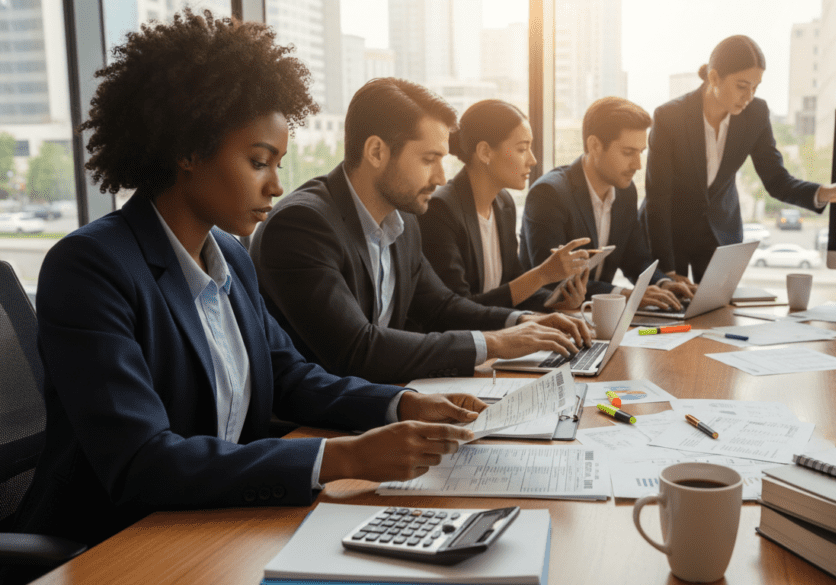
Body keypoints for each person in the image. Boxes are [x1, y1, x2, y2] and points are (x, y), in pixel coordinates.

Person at [10, 11, 484, 556]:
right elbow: (143, 461)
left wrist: (402, 405)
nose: (276, 185)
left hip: (219, 525)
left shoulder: (230, 256)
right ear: (187, 150)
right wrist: (344, 458)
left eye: (278, 163)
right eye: (259, 161)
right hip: (114, 544)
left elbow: (289, 377)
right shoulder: (92, 267)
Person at [249, 78, 592, 385]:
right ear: (376, 152)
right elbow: (355, 349)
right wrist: (495, 343)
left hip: (385, 398)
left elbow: (442, 307)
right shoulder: (303, 224)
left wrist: (524, 320)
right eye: (429, 159)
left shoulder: (403, 220)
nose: (441, 177)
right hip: (315, 426)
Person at [640, 35, 836, 283]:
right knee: (671, 317)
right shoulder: (669, 117)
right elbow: (658, 197)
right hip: (670, 236)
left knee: (719, 315)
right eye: (741, 86)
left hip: (720, 235)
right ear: (714, 78)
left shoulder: (756, 115)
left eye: (755, 87)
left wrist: (826, 192)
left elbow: (777, 180)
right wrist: (668, 271)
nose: (749, 96)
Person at [519, 96, 695, 310]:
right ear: (594, 145)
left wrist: (663, 283)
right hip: (547, 318)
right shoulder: (549, 194)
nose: (638, 165)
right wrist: (624, 295)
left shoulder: (625, 192)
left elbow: (636, 258)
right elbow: (554, 280)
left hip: (597, 318)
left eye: (640, 153)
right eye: (628, 152)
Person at [419, 99, 591, 312]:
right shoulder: (441, 210)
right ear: (485, 152)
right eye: (522, 149)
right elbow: (458, 310)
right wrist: (542, 274)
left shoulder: (504, 204)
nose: (532, 160)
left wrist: (559, 301)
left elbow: (513, 287)